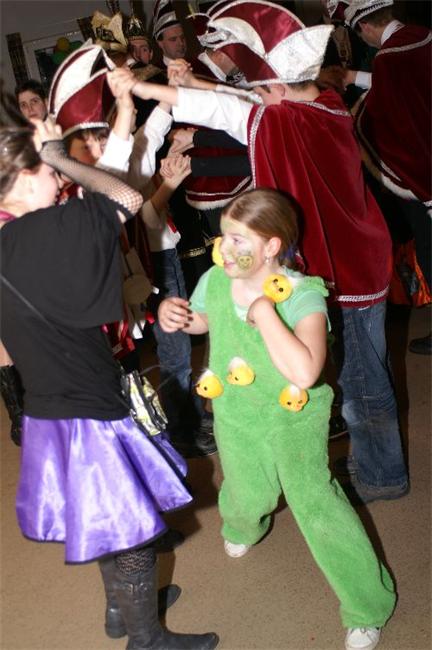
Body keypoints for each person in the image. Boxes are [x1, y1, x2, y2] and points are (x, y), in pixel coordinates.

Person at [111, 0, 409, 506]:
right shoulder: (323, 103)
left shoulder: (284, 122)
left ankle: (383, 475)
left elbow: (230, 108)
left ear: (279, 89)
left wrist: (140, 91)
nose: (256, 95)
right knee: (360, 370)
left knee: (362, 381)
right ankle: (375, 461)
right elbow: (239, 99)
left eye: (262, 88)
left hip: (349, 270)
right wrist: (192, 83)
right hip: (358, 256)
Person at [0, 111, 219, 650]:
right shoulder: (52, 228)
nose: (60, 181)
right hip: (89, 410)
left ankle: (122, 609)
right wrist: (57, 152)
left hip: (47, 407)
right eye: (49, 173)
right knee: (133, 534)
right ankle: (147, 640)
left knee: (104, 516)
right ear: (25, 177)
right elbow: (124, 197)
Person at [159, 188, 396, 650]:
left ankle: (368, 605)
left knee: (315, 505)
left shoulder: (303, 295)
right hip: (235, 411)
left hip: (294, 420)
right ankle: (242, 526)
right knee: (248, 490)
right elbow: (204, 319)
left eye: (239, 240)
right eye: (223, 236)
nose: (225, 249)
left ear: (272, 246)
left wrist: (266, 311)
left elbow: (305, 372)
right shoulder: (215, 278)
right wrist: (179, 316)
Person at [344, 0, 432, 354]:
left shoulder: (388, 57)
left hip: (423, 176)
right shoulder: (423, 37)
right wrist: (354, 78)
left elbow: (390, 119)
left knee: (430, 250)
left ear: (365, 27)